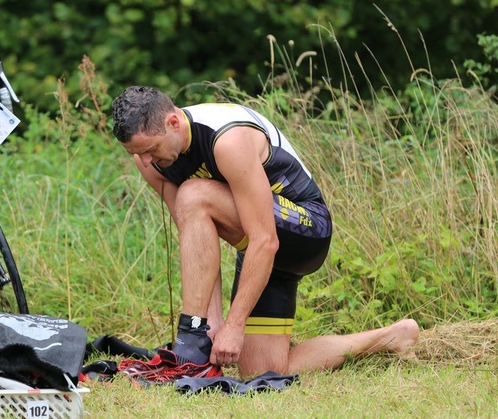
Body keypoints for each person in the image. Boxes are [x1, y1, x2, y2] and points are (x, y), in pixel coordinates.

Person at [111, 86, 419, 381]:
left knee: (193, 194)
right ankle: (391, 337)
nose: (146, 161)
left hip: (305, 233)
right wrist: (212, 323)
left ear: (173, 122)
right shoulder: (149, 159)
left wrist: (233, 325)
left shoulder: (226, 138)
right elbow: (196, 243)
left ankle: (189, 342)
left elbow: (265, 240)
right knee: (264, 372)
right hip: (261, 250)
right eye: (137, 154)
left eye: (151, 150)